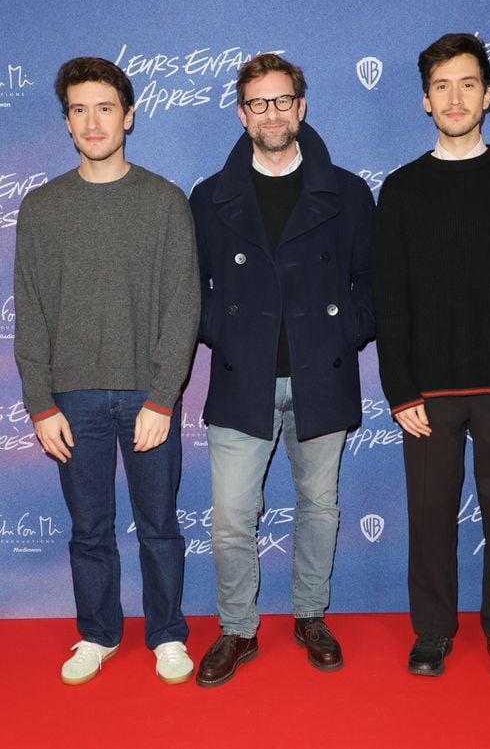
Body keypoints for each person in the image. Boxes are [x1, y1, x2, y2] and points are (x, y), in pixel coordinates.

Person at [373, 34, 490, 679]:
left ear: (488, 93)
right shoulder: (399, 189)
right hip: (428, 394)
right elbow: (388, 301)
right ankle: (432, 630)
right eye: (442, 86)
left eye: (468, 84)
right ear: (426, 100)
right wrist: (399, 390)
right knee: (428, 519)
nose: (456, 97)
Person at [14, 57, 200, 685]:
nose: (92, 122)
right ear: (67, 122)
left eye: (104, 107)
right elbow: (30, 313)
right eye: (78, 110)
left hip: (148, 398)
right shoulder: (40, 208)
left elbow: (183, 308)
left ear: (129, 115)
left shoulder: (165, 201)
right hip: (72, 402)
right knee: (88, 527)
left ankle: (168, 634)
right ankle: (97, 634)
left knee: (159, 526)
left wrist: (163, 398)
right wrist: (39, 403)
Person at [190, 53, 374, 687]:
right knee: (232, 516)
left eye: (282, 100)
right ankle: (238, 629)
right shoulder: (210, 197)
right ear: (243, 114)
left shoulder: (347, 192)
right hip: (243, 379)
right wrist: (228, 331)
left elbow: (368, 286)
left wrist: (341, 333)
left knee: (319, 506)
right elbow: (196, 290)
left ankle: (309, 617)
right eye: (258, 103)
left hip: (322, 375)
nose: (272, 113)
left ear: (301, 105)